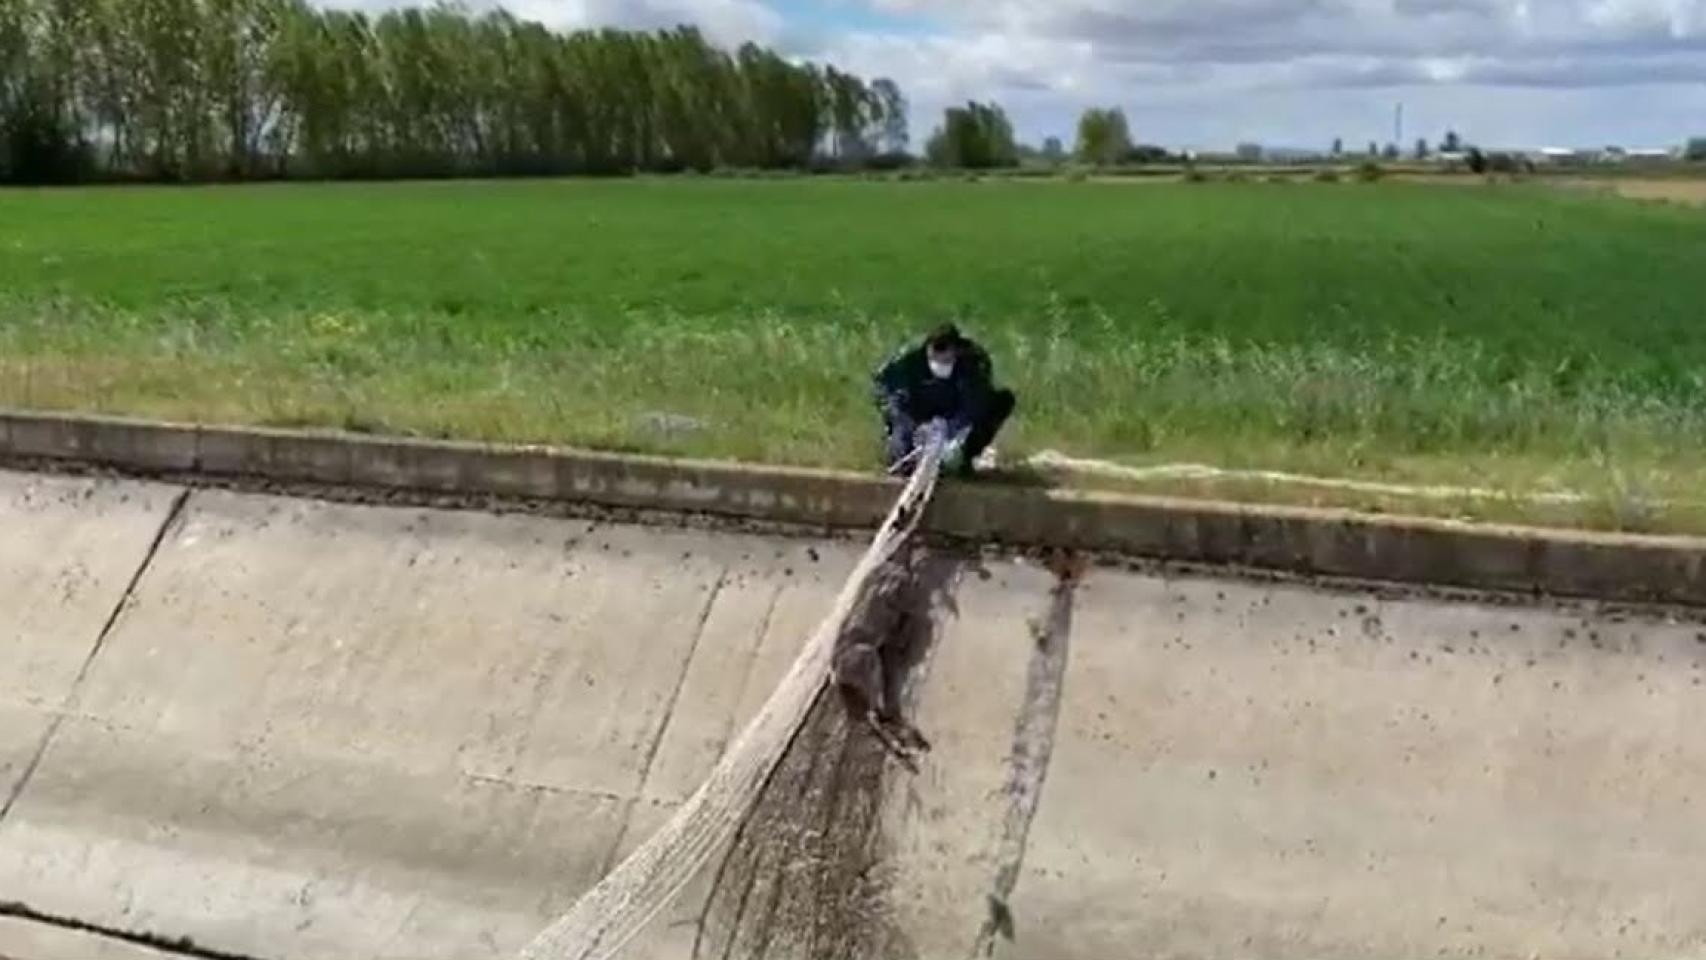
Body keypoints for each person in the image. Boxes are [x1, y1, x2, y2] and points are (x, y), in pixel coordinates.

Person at [872, 323, 1016, 476]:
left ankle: (964, 459)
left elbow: (976, 402)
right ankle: (903, 457)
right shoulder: (907, 358)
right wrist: (907, 422)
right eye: (935, 358)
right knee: (901, 445)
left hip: (954, 411)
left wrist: (951, 430)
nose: (939, 364)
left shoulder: (974, 361)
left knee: (1001, 402)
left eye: (946, 360)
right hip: (917, 411)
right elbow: (884, 390)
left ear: (956, 351)